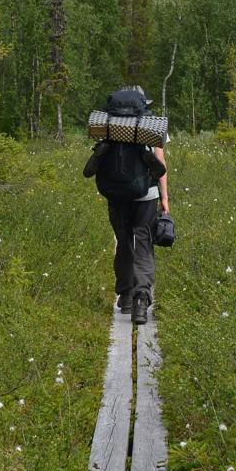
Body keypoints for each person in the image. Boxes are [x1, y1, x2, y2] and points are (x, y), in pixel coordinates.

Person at [83, 85, 168, 325]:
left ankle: (125, 295)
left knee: (123, 241)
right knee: (143, 240)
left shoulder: (109, 127)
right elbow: (160, 165)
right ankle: (141, 298)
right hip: (146, 195)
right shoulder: (150, 128)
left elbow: (92, 167)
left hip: (116, 194)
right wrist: (165, 199)